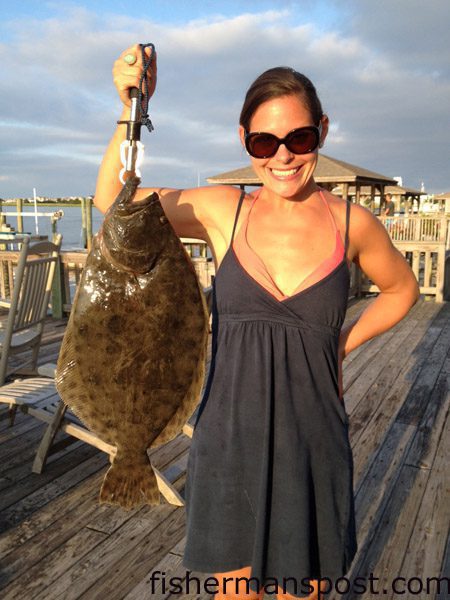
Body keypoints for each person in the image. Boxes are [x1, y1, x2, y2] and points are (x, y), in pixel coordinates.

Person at [93, 45, 420, 600]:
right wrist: (131, 107)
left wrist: (342, 345)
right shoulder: (224, 209)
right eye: (264, 142)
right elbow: (113, 202)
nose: (283, 157)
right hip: (230, 437)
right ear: (244, 140)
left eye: (300, 138)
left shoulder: (353, 221)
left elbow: (402, 289)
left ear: (322, 131)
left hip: (313, 438)